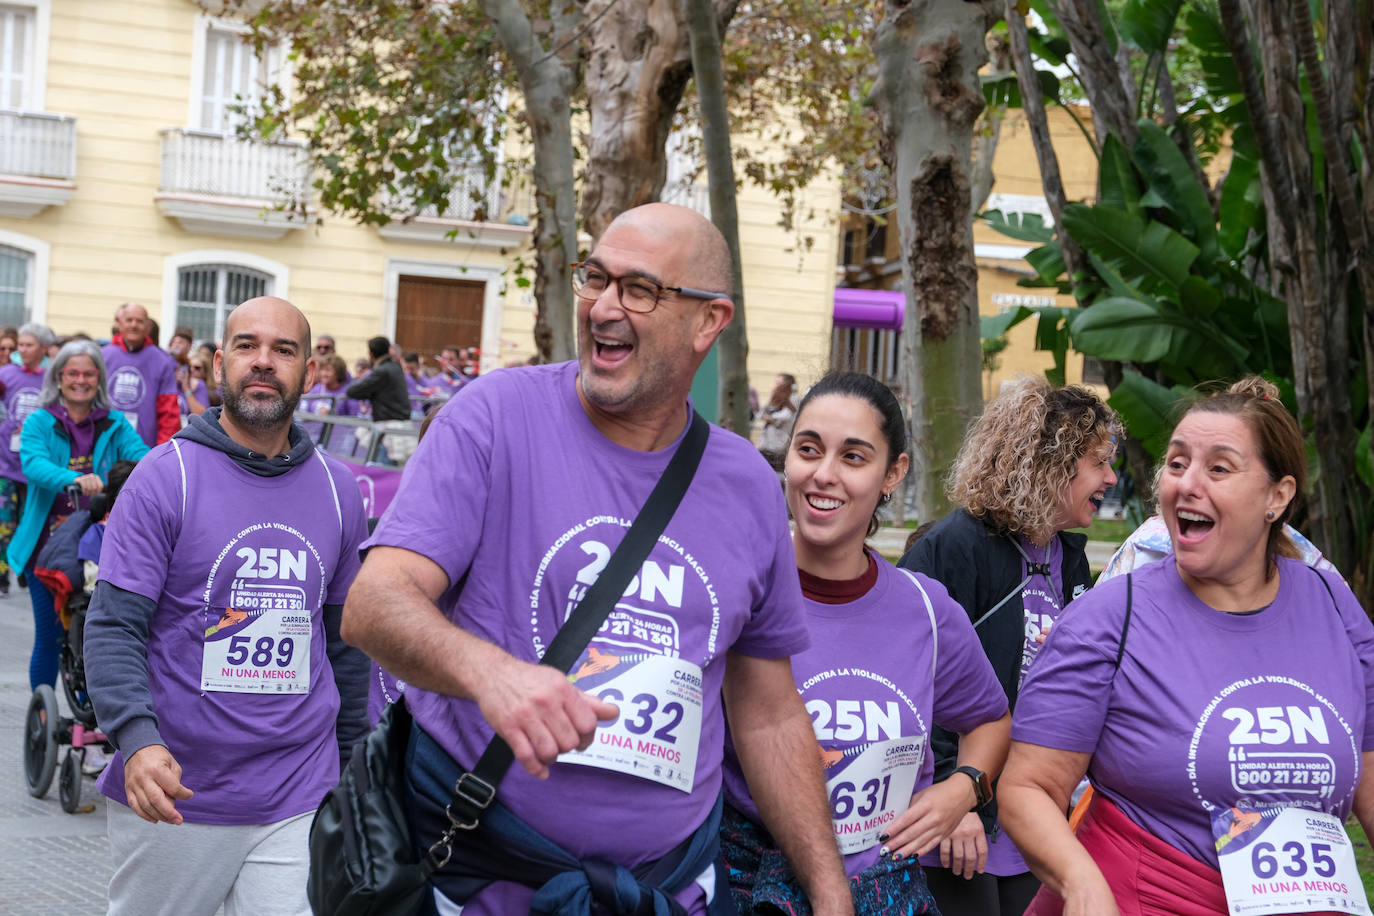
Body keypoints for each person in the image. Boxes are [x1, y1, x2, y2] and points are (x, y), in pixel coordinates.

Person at [342, 202, 854, 915]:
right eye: (595, 279)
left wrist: (830, 891)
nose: (604, 308)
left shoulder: (747, 486)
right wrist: (492, 675)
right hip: (482, 878)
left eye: (639, 289)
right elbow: (374, 603)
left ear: (709, 321)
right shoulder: (493, 416)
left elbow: (767, 713)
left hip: (665, 889)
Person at [1000, 377, 1374, 916]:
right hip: (1143, 899)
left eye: (1218, 468)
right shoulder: (1109, 618)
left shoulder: (1332, 603)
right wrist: (1082, 885)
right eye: (1176, 465)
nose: (1186, 484)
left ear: (1278, 495)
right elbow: (1027, 787)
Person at [84, 297, 370, 916]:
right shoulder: (166, 477)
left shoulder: (338, 488)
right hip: (179, 792)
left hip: (299, 790)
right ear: (219, 365)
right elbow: (113, 627)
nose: (263, 362)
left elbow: (344, 643)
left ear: (311, 374)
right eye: (246, 347)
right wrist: (136, 741)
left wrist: (354, 769)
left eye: (283, 350)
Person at [720, 371, 1011, 913]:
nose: (823, 475)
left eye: (853, 457)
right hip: (749, 888)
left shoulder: (927, 610)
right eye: (809, 450)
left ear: (892, 473)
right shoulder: (737, 593)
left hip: (889, 892)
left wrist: (965, 787)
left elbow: (990, 719)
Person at [897, 376, 1121, 916]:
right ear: (1051, 464)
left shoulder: (1070, 558)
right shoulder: (954, 547)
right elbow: (906, 679)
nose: (1111, 479)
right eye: (1098, 462)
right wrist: (959, 794)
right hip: (956, 821)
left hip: (1032, 819)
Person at [8, 340, 148, 691]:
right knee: (51, 636)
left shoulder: (114, 422)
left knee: (94, 636)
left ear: (99, 378)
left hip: (102, 544)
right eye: (73, 373)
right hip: (47, 546)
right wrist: (74, 479)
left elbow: (142, 456)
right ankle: (42, 714)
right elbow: (33, 463)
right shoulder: (40, 420)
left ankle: (91, 708)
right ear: (59, 377)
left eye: (88, 373)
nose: (80, 380)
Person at [0, 323, 54, 595]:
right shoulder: (6, 374)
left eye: (28, 345)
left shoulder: (51, 378)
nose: (21, 349)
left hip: (35, 465)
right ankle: (1, 574)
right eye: (19, 344)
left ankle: (24, 568)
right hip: (5, 464)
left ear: (44, 348)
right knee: (3, 522)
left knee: (28, 520)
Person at [101, 302, 179, 447]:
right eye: (129, 320)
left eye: (139, 321)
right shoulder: (102, 356)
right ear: (119, 324)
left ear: (148, 327)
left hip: (143, 447)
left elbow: (169, 415)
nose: (134, 325)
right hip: (104, 444)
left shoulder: (162, 361)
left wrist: (161, 451)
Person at [301, 354, 362, 454]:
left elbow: (354, 419)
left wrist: (332, 416)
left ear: (338, 373)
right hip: (314, 440)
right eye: (322, 370)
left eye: (328, 371)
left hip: (337, 443)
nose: (324, 374)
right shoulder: (316, 389)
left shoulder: (347, 392)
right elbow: (303, 413)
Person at [345, 334, 409, 421]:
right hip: (401, 419)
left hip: (388, 422)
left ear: (371, 354)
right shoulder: (396, 367)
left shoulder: (381, 371)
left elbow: (352, 391)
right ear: (388, 350)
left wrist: (369, 393)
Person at [757, 373, 797, 470]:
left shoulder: (794, 397)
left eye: (779, 383)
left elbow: (787, 415)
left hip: (779, 444)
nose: (776, 385)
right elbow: (761, 413)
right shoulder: (775, 396)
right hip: (766, 443)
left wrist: (771, 417)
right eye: (776, 382)